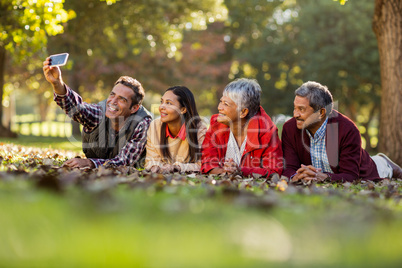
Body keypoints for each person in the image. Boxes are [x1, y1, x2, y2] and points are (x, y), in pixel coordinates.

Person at [282, 81, 402, 182]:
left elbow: (350, 175)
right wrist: (296, 176)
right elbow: (289, 167)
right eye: (295, 108)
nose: (295, 114)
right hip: (343, 164)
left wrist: (324, 177)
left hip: (368, 169)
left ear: (321, 113)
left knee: (382, 167)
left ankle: (385, 163)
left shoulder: (348, 129)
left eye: (301, 109)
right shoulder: (289, 128)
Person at [43, 57, 152, 169]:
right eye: (112, 94)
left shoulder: (142, 123)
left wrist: (90, 163)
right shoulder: (100, 112)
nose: (113, 102)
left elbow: (125, 161)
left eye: (122, 99)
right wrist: (57, 83)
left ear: (134, 108)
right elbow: (77, 108)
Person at [201, 78, 283, 177]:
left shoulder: (267, 132)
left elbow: (274, 171)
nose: (219, 107)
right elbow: (207, 162)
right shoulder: (216, 125)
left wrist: (241, 170)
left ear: (243, 112)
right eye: (221, 101)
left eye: (225, 104)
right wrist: (225, 171)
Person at [145, 86, 207, 173]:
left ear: (183, 109)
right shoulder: (155, 126)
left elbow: (202, 165)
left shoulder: (199, 130)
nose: (162, 106)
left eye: (169, 103)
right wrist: (155, 166)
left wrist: (177, 167)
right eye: (161, 102)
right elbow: (150, 160)